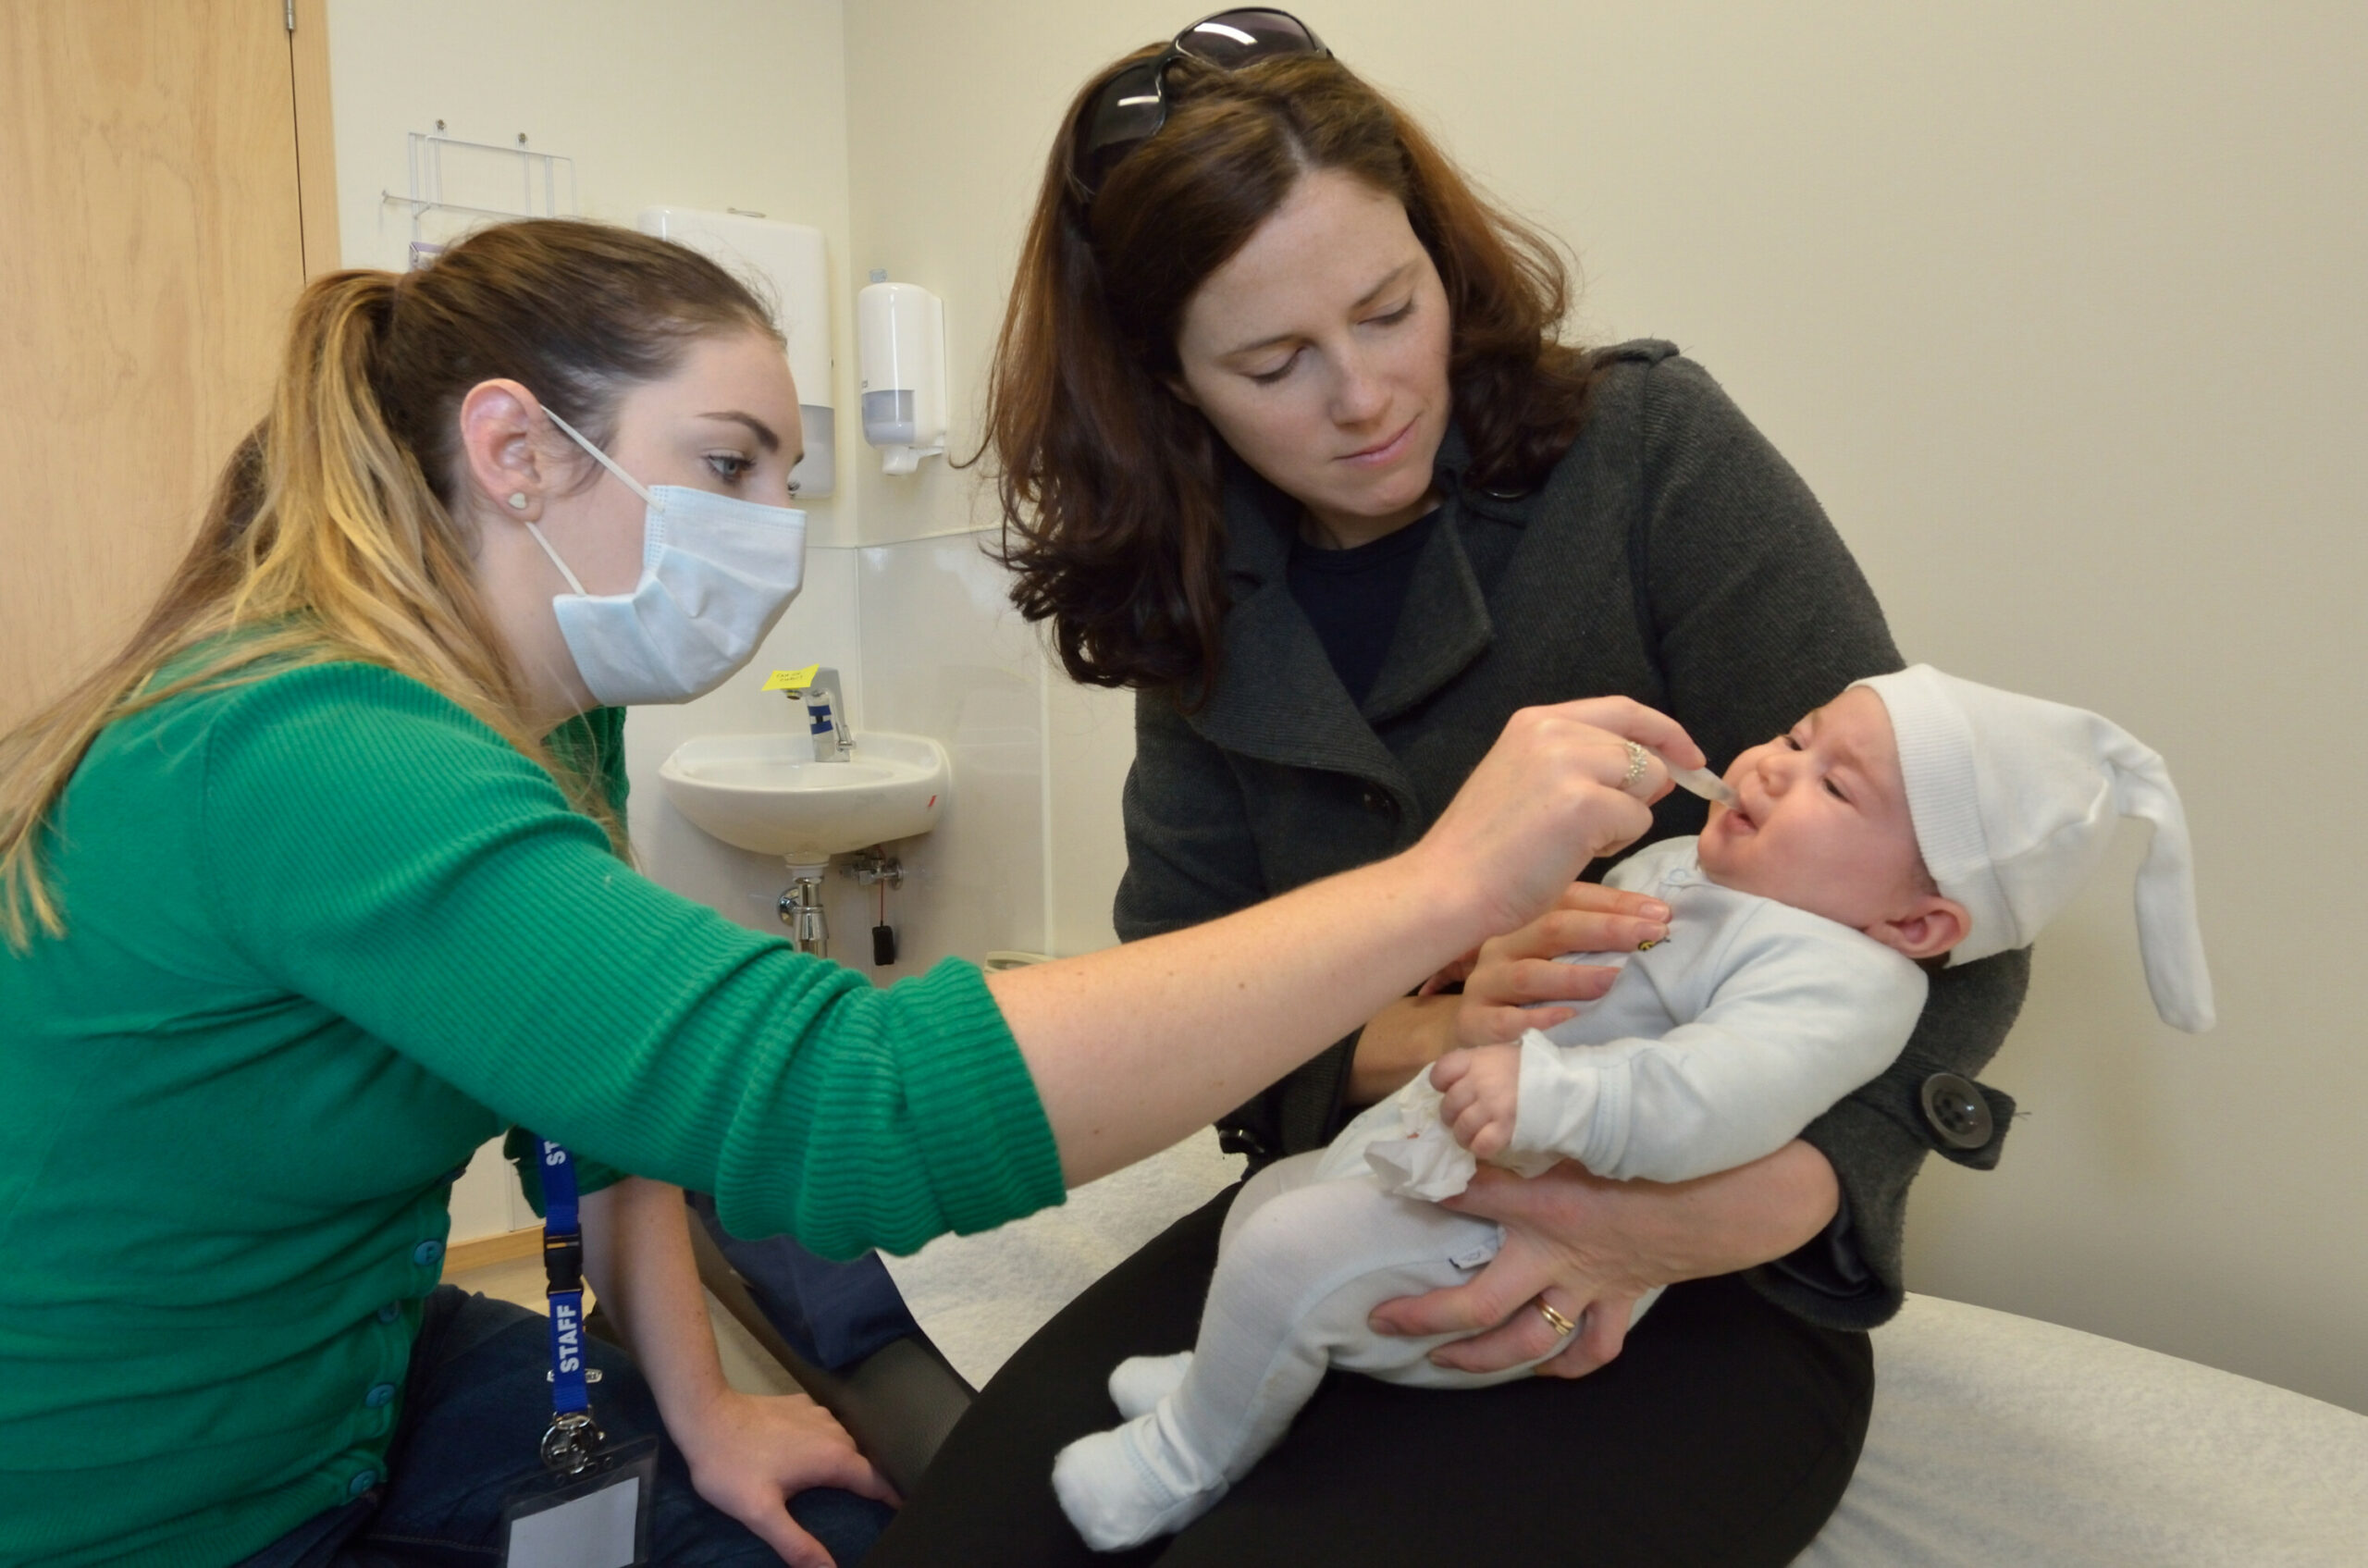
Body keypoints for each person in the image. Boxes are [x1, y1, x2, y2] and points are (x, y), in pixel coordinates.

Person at [0, 219, 1697, 1568]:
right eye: (732, 464)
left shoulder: (544, 717)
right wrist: (1442, 885)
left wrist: (704, 1406)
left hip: (349, 1387)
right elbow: (840, 1101)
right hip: (136, 1501)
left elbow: (592, 1103)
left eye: (791, 478)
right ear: (515, 449)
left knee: (824, 1518)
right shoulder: (309, 746)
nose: (777, 529)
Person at [865, 18, 2038, 1567]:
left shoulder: (1647, 460)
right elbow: (1192, 1005)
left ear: (1440, 254)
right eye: (1274, 363)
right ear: (1171, 383)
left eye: (1388, 308)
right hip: (1371, 1187)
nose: (1364, 396)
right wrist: (1432, 1034)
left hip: (1695, 1288)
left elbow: (1956, 917)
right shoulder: (1206, 598)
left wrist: (1713, 1213)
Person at [1052, 669, 2214, 1549]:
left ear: (1916, 925)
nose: (1773, 767)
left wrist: (1549, 1090)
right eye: (1796, 736)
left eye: (1832, 785)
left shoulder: (1845, 980)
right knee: (1269, 1201)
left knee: (1288, 1253)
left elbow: (1711, 1097)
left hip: (1524, 1229)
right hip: (1449, 1145)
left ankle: (1183, 1456)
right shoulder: (1694, 868)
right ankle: (1223, 1379)